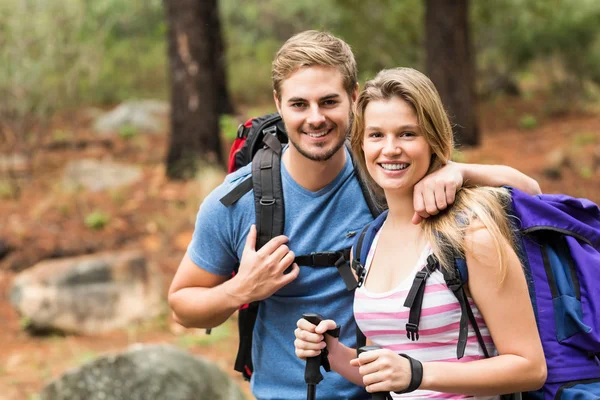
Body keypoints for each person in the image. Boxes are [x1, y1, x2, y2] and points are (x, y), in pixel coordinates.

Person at [168, 31, 541, 400]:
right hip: (288, 392)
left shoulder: (385, 170)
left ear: (353, 98)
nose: (315, 118)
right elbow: (183, 306)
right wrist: (241, 289)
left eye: (329, 101)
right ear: (278, 104)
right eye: (299, 104)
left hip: (387, 391)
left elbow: (530, 195)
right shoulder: (237, 202)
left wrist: (460, 171)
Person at [293, 67, 547, 399]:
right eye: (376, 135)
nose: (390, 149)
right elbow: (390, 369)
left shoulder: (471, 237)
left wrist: (417, 373)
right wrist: (332, 352)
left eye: (408, 134)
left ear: (434, 140)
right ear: (361, 144)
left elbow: (529, 367)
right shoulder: (368, 243)